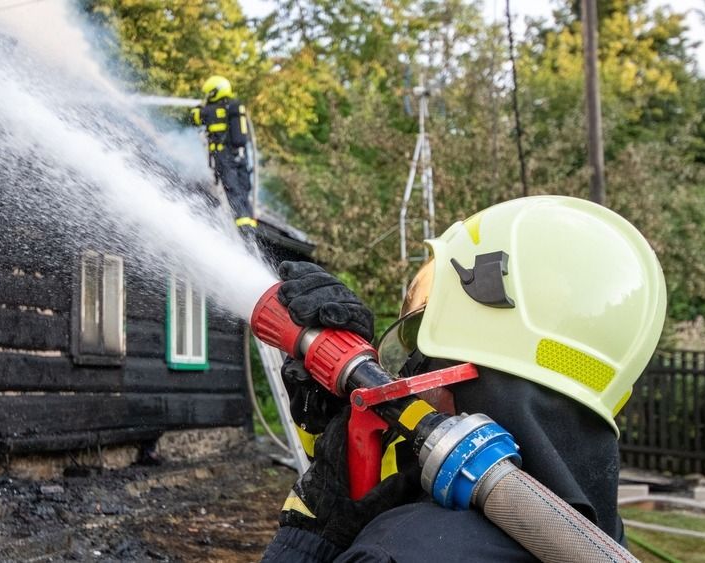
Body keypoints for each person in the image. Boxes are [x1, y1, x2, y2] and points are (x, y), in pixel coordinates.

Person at [261, 196, 667, 562]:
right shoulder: (591, 529)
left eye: (424, 350)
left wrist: (314, 535)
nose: (416, 375)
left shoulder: (398, 552)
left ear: (464, 371)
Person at [190, 75, 256, 232]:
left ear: (215, 92)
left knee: (232, 191)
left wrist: (200, 107)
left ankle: (240, 227)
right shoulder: (235, 107)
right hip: (241, 156)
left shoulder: (210, 111)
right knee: (243, 191)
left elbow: (194, 118)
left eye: (209, 93)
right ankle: (249, 226)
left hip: (225, 157)